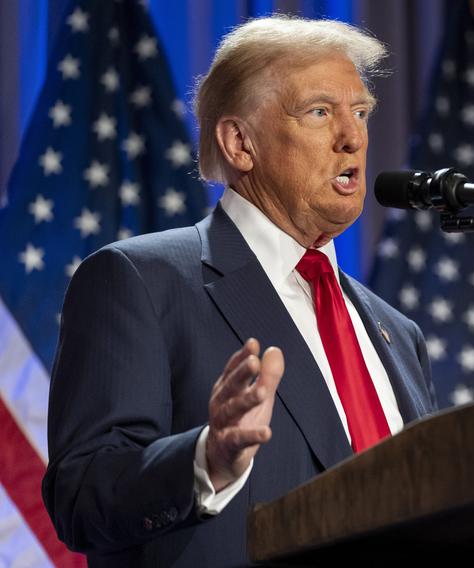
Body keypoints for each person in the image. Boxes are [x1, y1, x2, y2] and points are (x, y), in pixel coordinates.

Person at [42, 16, 436, 567]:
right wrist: (208, 458)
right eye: (320, 112)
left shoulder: (398, 333)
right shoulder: (140, 280)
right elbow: (81, 495)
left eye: (361, 111)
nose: (353, 137)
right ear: (239, 142)